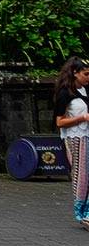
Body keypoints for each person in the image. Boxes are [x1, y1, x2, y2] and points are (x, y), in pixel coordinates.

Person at [53, 56, 89, 228]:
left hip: (87, 135)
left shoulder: (85, 91)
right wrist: (82, 118)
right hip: (75, 137)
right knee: (81, 174)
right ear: (75, 73)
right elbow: (59, 122)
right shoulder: (65, 93)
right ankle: (82, 212)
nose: (88, 78)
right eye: (86, 74)